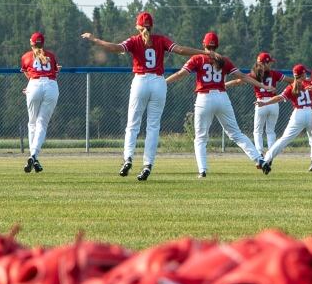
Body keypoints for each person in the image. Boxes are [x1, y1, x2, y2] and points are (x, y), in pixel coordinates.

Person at [81, 12, 219, 181]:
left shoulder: (134, 40)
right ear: (151, 27)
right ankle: (148, 164)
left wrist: (94, 39)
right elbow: (181, 50)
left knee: (133, 124)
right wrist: (204, 53)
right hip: (158, 83)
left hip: (141, 81)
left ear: (138, 27)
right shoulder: (160, 40)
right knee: (153, 126)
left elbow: (115, 48)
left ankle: (128, 158)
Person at [165, 32, 273, 178]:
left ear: (204, 45)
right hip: (222, 97)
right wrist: (262, 86)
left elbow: (180, 74)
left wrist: (163, 82)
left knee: (201, 138)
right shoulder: (224, 60)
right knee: (236, 133)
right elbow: (242, 76)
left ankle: (202, 170)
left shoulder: (198, 58)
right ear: (217, 46)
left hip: (204, 98)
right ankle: (259, 159)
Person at [226, 52, 293, 154]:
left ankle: (260, 153)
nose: (271, 64)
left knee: (258, 131)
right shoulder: (274, 74)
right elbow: (290, 81)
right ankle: (271, 153)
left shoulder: (253, 74)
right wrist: (302, 82)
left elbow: (237, 82)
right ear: (265, 63)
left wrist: (224, 84)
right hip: (273, 103)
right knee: (270, 131)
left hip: (261, 103)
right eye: (269, 62)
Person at [257, 64, 312, 174]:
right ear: (302, 74)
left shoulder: (291, 86)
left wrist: (265, 102)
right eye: (305, 73)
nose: (306, 74)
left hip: (298, 114)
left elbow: (279, 97)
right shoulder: (310, 83)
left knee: (284, 139)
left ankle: (266, 160)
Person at [20, 32, 59, 174]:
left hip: (34, 85)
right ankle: (34, 156)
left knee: (32, 123)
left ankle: (33, 156)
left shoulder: (26, 56)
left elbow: (29, 74)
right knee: (42, 123)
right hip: (51, 86)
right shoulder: (51, 56)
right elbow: (54, 72)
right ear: (43, 43)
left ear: (31, 43)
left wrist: (31, 87)